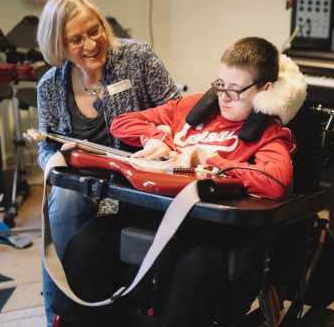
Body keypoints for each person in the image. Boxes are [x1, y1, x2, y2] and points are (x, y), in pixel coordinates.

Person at [51, 37, 307, 326]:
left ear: (264, 90)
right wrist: (160, 139)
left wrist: (211, 159)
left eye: (236, 90)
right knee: (87, 242)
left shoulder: (267, 132)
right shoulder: (192, 108)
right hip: (155, 214)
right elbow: (121, 123)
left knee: (195, 267)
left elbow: (275, 182)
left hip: (207, 230)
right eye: (220, 85)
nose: (224, 97)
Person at [36, 0, 181, 326]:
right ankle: (66, 315)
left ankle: (83, 310)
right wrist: (58, 160)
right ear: (58, 46)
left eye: (94, 30)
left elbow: (179, 113)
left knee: (66, 206)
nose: (90, 44)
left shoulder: (138, 58)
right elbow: (45, 147)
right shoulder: (49, 86)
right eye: (75, 40)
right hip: (83, 185)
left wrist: (161, 140)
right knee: (65, 198)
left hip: (137, 182)